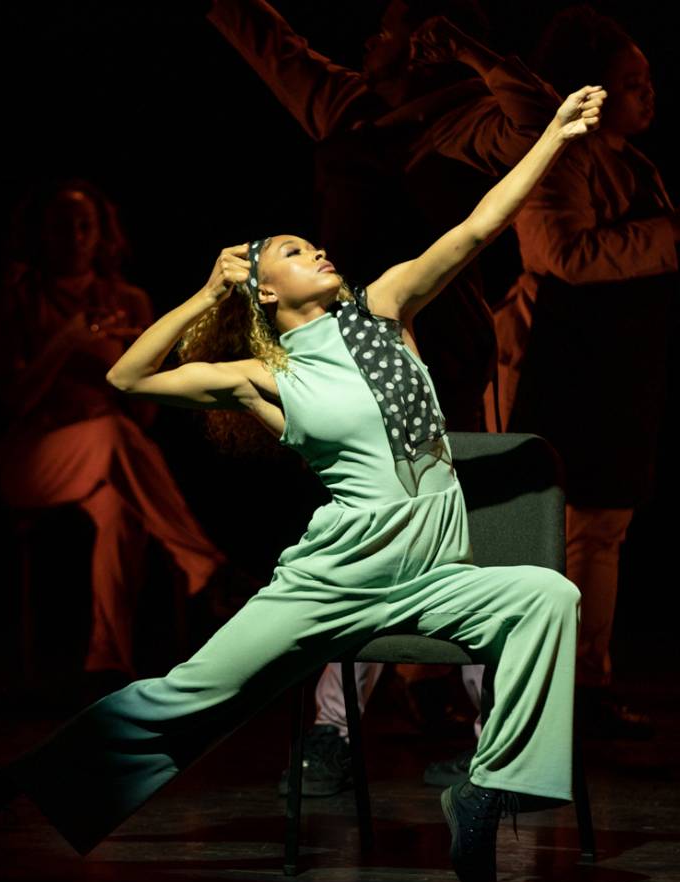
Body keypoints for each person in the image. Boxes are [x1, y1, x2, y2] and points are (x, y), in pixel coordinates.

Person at [0, 83, 605, 882]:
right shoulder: (260, 376)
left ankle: (483, 794)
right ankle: (13, 785)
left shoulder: (386, 306)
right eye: (296, 252)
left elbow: (478, 226)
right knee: (188, 698)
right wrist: (208, 294)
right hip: (334, 581)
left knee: (547, 596)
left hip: (434, 577)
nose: (319, 254)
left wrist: (554, 137)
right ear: (267, 294)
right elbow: (128, 373)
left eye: (316, 246)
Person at [208, 0, 566, 792]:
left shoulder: (466, 119)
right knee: (368, 540)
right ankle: (336, 733)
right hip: (345, 356)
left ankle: (500, 745)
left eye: (390, 27)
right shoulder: (347, 104)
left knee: (470, 538)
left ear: (426, 44)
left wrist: (473, 49)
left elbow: (540, 118)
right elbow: (274, 43)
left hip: (441, 355)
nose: (368, 38)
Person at [491, 4, 680, 738]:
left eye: (647, 81)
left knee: (600, 533)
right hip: (560, 369)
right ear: (592, 90)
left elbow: (631, 270)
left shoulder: (633, 163)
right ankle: (518, 697)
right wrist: (669, 234)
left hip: (617, 374)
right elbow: (560, 256)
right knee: (542, 536)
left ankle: (584, 687)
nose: (649, 94)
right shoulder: (557, 155)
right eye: (631, 83)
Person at [0, 179, 237, 685]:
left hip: (115, 453)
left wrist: (120, 369)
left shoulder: (129, 301)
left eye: (86, 226)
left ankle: (106, 661)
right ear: (41, 234)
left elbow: (145, 422)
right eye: (62, 226)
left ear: (102, 235)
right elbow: (13, 400)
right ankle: (205, 564)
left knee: (122, 512)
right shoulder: (16, 297)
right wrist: (68, 342)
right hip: (37, 457)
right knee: (109, 432)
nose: (75, 237)